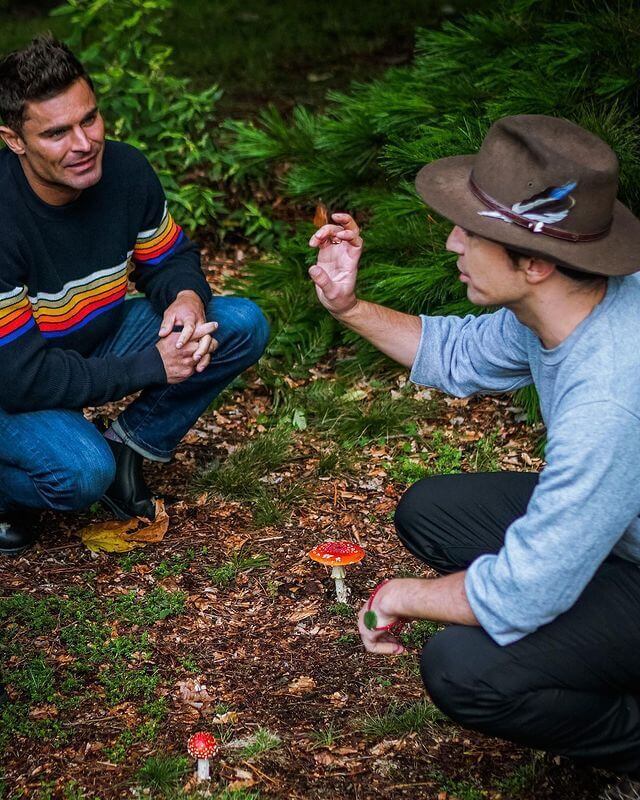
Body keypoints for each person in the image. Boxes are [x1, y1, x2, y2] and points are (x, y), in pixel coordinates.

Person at [308, 114, 640, 799]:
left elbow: (525, 590)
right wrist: (348, 307)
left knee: (461, 667)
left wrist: (401, 594)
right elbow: (458, 355)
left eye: (473, 231)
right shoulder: (561, 305)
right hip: (623, 530)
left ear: (536, 262)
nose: (453, 241)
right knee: (431, 511)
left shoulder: (610, 394)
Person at [0, 35, 269, 555]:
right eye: (57, 133)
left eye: (90, 119)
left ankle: (129, 445)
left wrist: (186, 298)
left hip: (85, 340)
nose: (83, 144)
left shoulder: (124, 171)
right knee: (81, 475)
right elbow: (21, 380)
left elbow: (168, 259)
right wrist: (152, 365)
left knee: (239, 323)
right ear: (13, 140)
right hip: (11, 383)